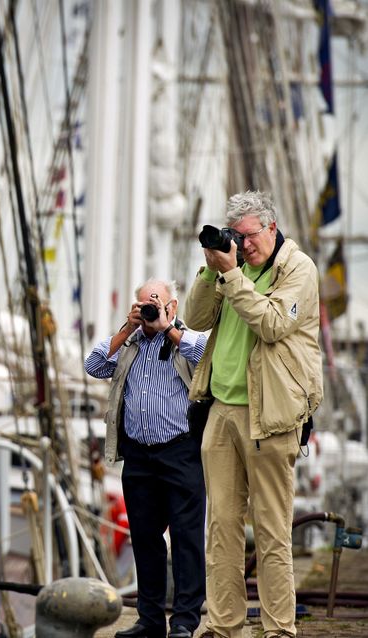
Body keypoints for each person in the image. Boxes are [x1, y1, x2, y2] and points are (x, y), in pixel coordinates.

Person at [184, 191, 322, 638]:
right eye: (235, 238)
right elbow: (196, 318)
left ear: (272, 227)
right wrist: (211, 268)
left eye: (248, 237)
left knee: (271, 530)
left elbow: (273, 324)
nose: (242, 246)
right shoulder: (230, 269)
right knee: (221, 527)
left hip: (272, 415)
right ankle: (224, 625)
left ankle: (279, 628)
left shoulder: (297, 269)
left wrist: (231, 276)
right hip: (222, 409)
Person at [86, 278, 208, 638]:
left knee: (186, 538)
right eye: (143, 305)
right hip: (139, 454)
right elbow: (93, 365)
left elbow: (206, 358)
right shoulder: (131, 343)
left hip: (180, 451)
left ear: (172, 306)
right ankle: (150, 619)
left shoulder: (189, 339)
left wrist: (167, 329)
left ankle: (185, 620)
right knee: (144, 537)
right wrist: (129, 326)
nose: (150, 310)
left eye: (156, 304)